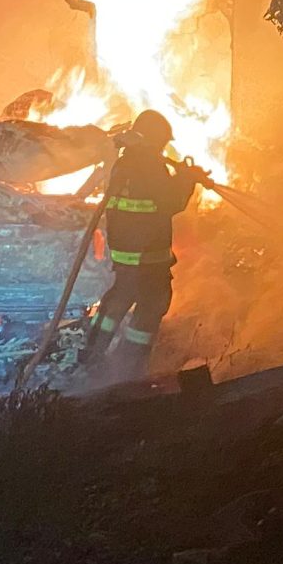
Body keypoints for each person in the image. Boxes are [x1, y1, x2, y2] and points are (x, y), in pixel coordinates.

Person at [77, 111, 204, 380]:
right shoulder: (150, 165)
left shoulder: (124, 164)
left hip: (126, 253)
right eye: (162, 142)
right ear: (153, 139)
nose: (163, 148)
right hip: (148, 256)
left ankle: (89, 357)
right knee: (152, 305)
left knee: (117, 300)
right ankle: (128, 368)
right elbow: (170, 201)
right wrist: (187, 179)